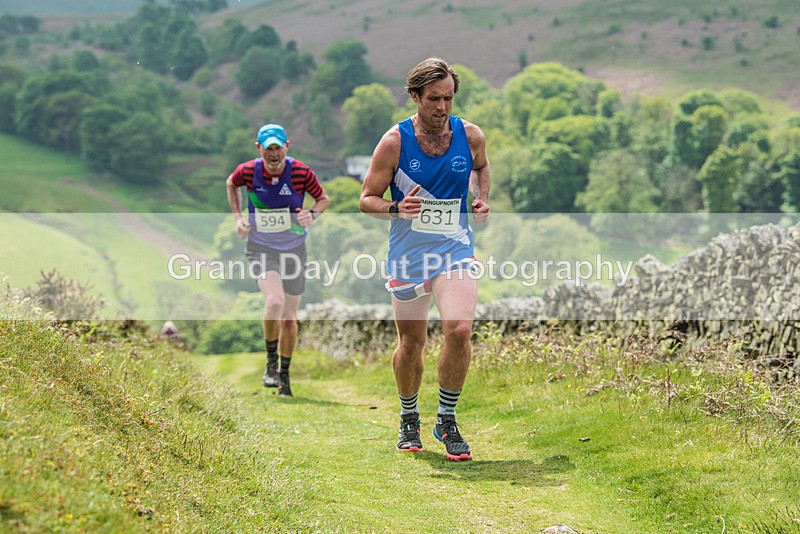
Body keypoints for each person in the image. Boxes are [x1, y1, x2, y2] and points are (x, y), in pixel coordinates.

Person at [359, 58, 490, 461]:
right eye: (433, 99)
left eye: (449, 98)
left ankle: (447, 420)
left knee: (459, 328)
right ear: (415, 96)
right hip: (408, 255)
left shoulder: (469, 135)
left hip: (455, 247)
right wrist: (396, 209)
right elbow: (366, 200)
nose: (442, 107)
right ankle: (408, 417)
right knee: (412, 343)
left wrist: (482, 198)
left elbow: (482, 168)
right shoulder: (394, 142)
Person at [226, 123, 330, 397]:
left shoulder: (300, 172)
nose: (274, 154)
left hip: (294, 247)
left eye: (278, 147)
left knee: (289, 318)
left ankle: (284, 373)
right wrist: (238, 218)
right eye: (268, 148)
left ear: (287, 146)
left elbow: (323, 199)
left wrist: (313, 214)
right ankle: (271, 362)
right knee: (274, 302)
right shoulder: (248, 170)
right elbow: (231, 183)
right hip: (261, 247)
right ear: (259, 149)